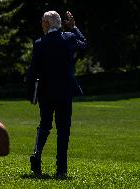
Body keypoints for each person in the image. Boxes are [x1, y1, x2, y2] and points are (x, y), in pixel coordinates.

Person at [26, 10, 87, 178]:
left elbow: (32, 71)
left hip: (46, 92)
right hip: (65, 91)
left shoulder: (39, 43)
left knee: (45, 124)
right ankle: (61, 170)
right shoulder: (69, 38)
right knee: (63, 130)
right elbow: (84, 43)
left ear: (46, 24)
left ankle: (37, 154)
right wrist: (74, 27)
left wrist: (31, 93)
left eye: (42, 22)